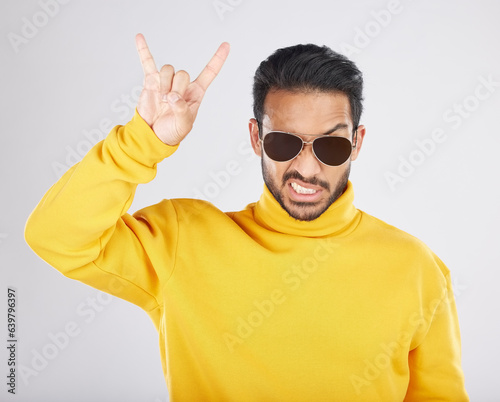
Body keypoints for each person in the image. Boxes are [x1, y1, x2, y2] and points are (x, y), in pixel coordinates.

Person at [25, 33, 469, 401]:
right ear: (256, 137)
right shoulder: (183, 240)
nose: (308, 168)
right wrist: (142, 142)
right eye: (284, 143)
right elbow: (56, 236)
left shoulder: (415, 268)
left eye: (331, 145)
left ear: (357, 143)